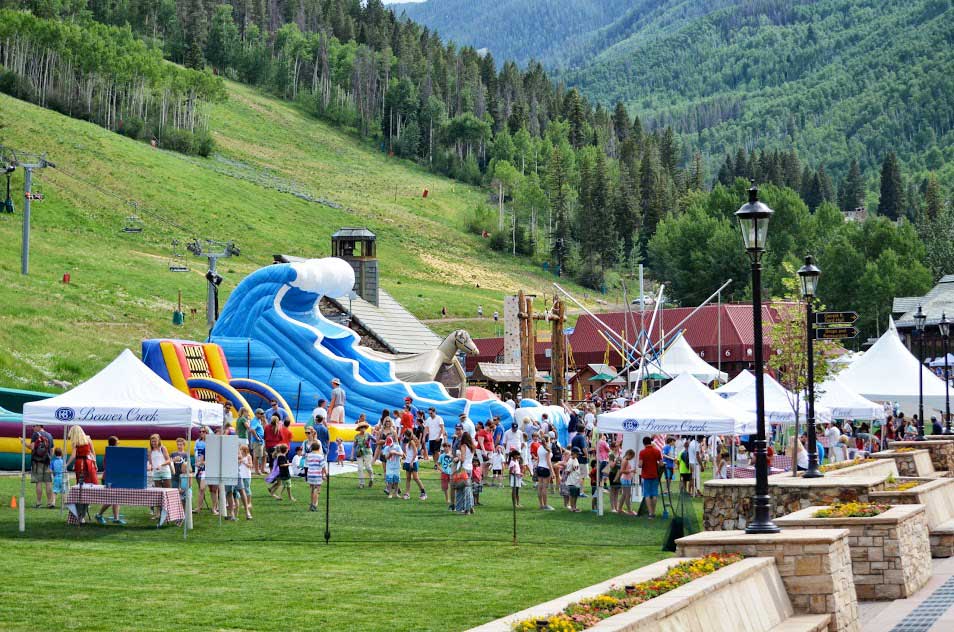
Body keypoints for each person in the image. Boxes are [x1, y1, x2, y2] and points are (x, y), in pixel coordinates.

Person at [24, 423, 54, 508]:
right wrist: (49, 458)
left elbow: (32, 447)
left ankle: (39, 503)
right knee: (48, 482)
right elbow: (52, 450)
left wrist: (24, 443)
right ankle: (49, 503)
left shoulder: (35, 435)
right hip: (47, 461)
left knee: (39, 482)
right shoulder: (49, 435)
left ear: (39, 426)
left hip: (37, 461)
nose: (33, 427)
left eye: (34, 426)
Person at [638, 437, 662, 518]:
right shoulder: (657, 451)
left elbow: (640, 465)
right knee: (654, 494)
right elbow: (661, 464)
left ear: (644, 443)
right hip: (655, 475)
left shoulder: (642, 452)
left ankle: (650, 513)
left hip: (646, 475)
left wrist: (640, 464)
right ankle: (653, 511)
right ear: (650, 442)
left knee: (647, 494)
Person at [455, 432, 476, 514]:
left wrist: (458, 457)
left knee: (461, 489)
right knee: (468, 488)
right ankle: (470, 506)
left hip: (463, 468)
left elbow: (463, 459)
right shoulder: (472, 447)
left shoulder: (463, 446)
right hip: (470, 468)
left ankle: (465, 508)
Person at [534, 435, 555, 511]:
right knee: (544, 488)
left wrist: (536, 468)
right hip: (546, 468)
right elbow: (549, 461)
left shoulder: (539, 448)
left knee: (540, 487)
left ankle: (541, 504)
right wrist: (552, 472)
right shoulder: (547, 449)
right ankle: (545, 505)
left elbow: (538, 459)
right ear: (548, 440)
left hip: (539, 467)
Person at [306, 441, 327, 512]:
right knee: (317, 490)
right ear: (319, 448)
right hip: (317, 474)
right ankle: (314, 506)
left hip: (310, 474)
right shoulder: (320, 456)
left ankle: (311, 504)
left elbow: (307, 464)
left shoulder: (308, 455)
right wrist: (325, 474)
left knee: (312, 490)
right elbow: (323, 466)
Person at [353, 418, 374, 488]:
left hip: (368, 452)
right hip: (359, 453)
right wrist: (351, 455)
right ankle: (361, 483)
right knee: (360, 468)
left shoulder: (368, 435)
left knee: (368, 467)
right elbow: (354, 446)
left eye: (364, 427)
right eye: (361, 427)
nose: (363, 428)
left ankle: (371, 477)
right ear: (359, 429)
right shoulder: (357, 436)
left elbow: (375, 440)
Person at [616, 448, 636, 515]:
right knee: (628, 495)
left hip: (626, 479)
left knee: (624, 495)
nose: (631, 458)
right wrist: (631, 470)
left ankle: (619, 509)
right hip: (625, 479)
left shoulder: (625, 460)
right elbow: (622, 471)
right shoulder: (625, 461)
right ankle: (629, 511)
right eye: (632, 457)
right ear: (629, 454)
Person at [564, 448, 583, 512]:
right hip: (571, 481)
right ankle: (572, 508)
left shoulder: (576, 459)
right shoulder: (570, 461)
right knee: (572, 495)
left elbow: (577, 469)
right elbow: (567, 472)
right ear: (573, 453)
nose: (578, 455)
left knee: (576, 495)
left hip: (576, 480)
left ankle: (574, 506)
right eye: (577, 454)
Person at [437, 442, 455, 509]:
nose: (445, 448)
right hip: (444, 473)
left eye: (447, 446)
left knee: (452, 486)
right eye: (444, 447)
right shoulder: (441, 455)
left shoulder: (452, 455)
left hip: (451, 473)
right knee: (445, 487)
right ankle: (447, 499)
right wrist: (441, 470)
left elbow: (456, 462)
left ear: (449, 447)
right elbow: (438, 464)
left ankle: (452, 499)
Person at [249, 409, 266, 474]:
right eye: (261, 414)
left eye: (263, 413)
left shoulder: (259, 420)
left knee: (264, 455)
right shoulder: (254, 421)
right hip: (257, 442)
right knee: (257, 456)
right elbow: (252, 430)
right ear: (256, 414)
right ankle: (257, 471)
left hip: (262, 441)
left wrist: (264, 420)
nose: (262, 415)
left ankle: (262, 469)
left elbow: (264, 427)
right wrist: (257, 437)